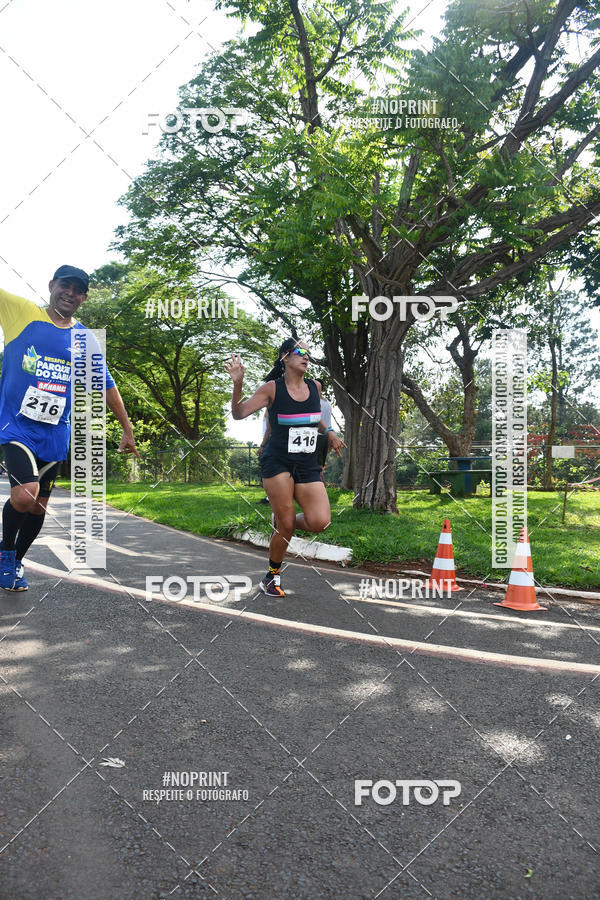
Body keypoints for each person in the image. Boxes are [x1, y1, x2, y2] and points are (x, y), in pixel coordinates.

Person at [0, 265, 139, 591]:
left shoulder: (85, 338)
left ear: (84, 297)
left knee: (37, 506)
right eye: (65, 286)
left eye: (78, 290)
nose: (70, 294)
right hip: (15, 427)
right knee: (25, 493)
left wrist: (127, 428)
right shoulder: (22, 312)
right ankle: (5, 555)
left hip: (54, 434)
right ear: (52, 285)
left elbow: (106, 385)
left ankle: (15, 560)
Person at [225, 338, 344, 597]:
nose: (306, 357)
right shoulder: (272, 389)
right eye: (300, 352)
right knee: (287, 525)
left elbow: (314, 417)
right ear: (285, 357)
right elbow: (239, 413)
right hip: (277, 462)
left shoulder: (316, 387)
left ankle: (281, 521)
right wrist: (238, 384)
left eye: (308, 354)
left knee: (320, 521)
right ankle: (272, 576)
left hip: (307, 463)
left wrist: (331, 432)